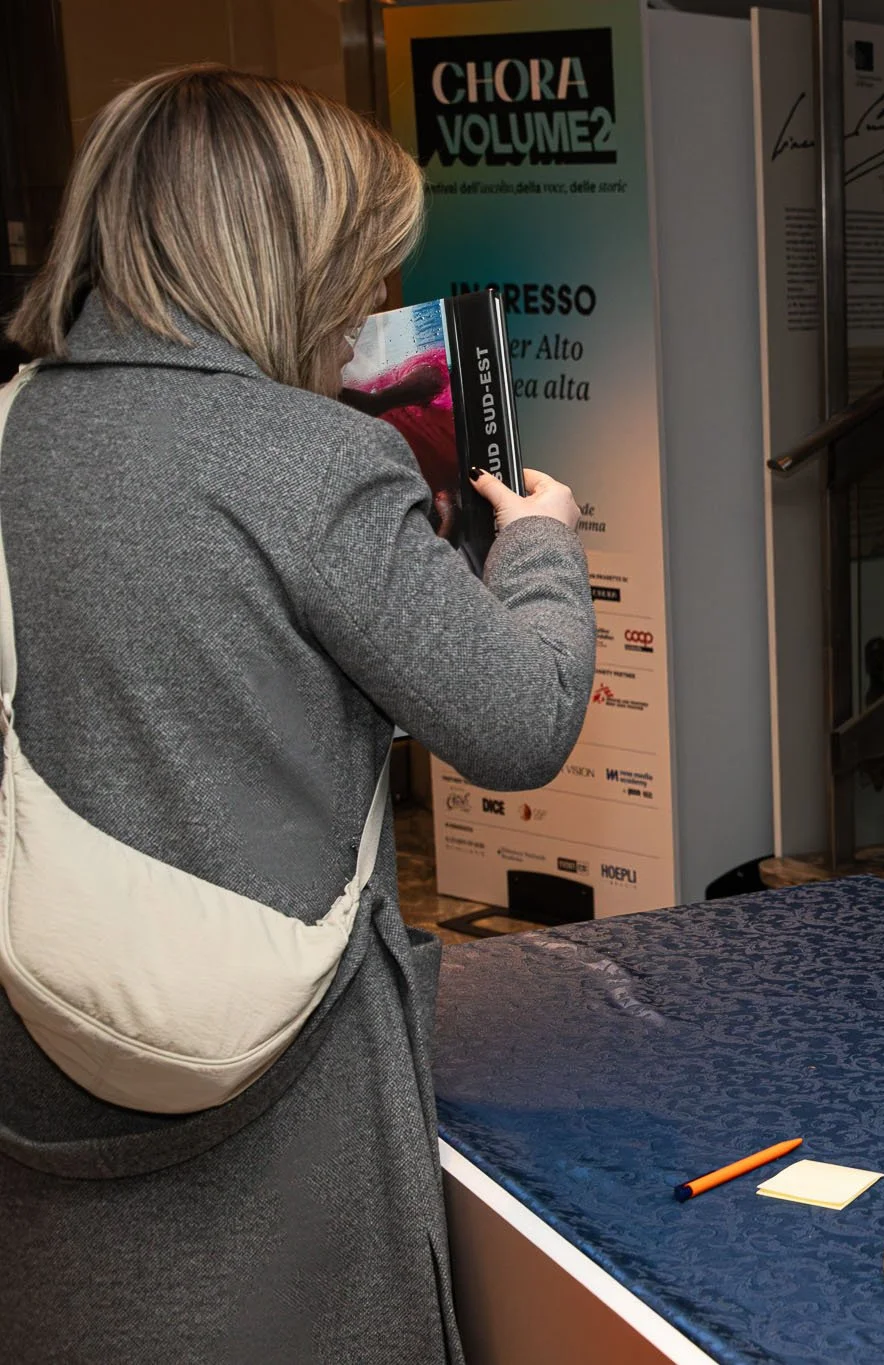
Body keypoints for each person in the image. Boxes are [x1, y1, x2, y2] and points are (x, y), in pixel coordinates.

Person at [0, 67, 595, 1362]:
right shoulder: (309, 457)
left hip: (40, 1051)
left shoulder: (13, 428)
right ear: (281, 255)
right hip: (272, 1089)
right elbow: (518, 717)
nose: (368, 306)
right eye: (360, 264)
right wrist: (540, 546)